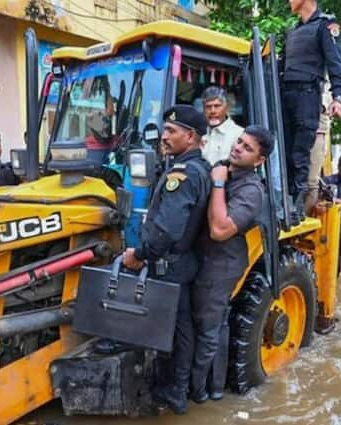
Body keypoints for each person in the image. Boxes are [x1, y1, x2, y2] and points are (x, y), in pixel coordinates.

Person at [121, 105, 211, 415]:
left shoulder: (182, 174)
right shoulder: (197, 168)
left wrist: (139, 255)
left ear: (191, 136)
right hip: (182, 263)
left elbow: (167, 229)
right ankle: (178, 392)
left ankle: (169, 392)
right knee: (181, 329)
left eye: (172, 131)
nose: (164, 135)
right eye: (165, 129)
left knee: (165, 331)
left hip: (168, 265)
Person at [189, 126, 273, 404]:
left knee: (208, 328)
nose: (238, 148)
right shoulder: (225, 170)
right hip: (208, 258)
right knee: (216, 324)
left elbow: (220, 229)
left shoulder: (251, 190)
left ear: (259, 160)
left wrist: (217, 183)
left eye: (248, 148)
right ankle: (213, 387)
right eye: (239, 142)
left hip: (222, 263)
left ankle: (198, 393)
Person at [281, 0, 341, 219]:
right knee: (286, 150)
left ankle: (296, 206)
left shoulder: (325, 25)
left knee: (300, 153)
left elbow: (336, 63)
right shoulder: (293, 31)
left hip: (307, 95)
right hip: (286, 94)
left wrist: (338, 97)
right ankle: (285, 200)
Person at [305, 81, 333, 215]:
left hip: (316, 134)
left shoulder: (325, 86)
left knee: (311, 182)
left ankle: (304, 217)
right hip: (298, 130)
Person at [201, 86, 243, 165]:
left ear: (226, 108)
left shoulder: (239, 135)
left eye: (217, 106)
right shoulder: (198, 134)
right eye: (208, 107)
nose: (212, 111)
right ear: (203, 110)